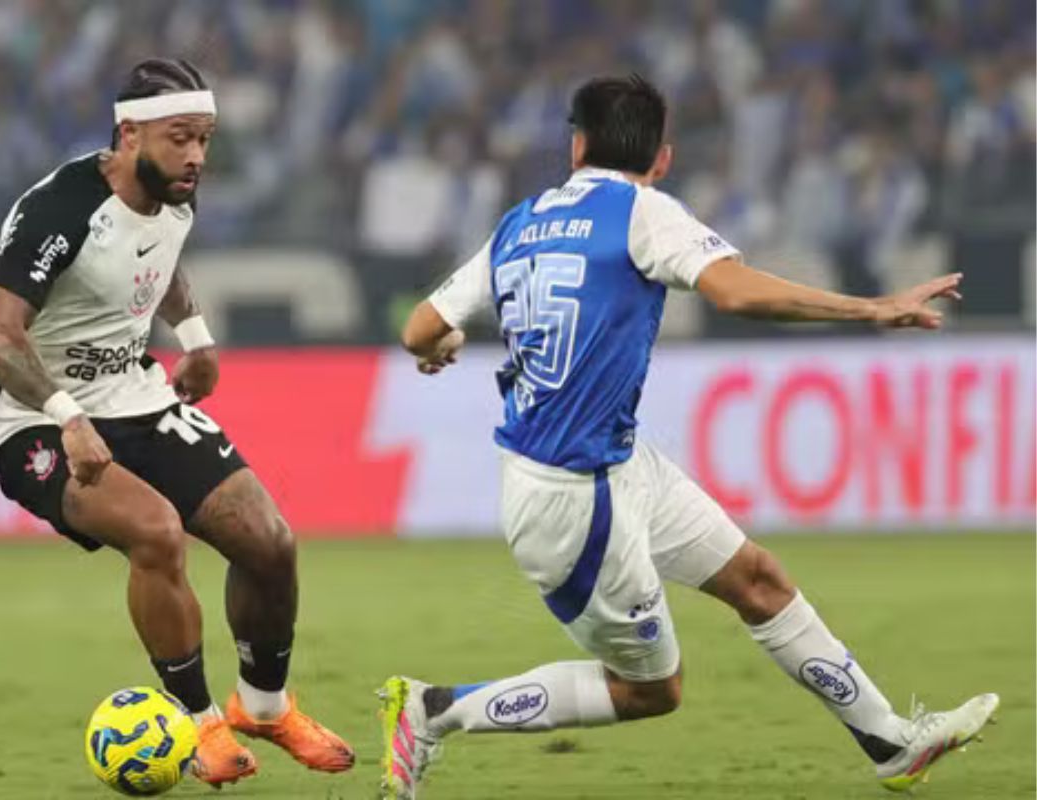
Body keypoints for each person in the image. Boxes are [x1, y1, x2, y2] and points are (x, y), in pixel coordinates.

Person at [378, 74, 997, 798]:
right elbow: (733, 291)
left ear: (575, 146)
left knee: (759, 582)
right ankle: (432, 711)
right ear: (662, 159)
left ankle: (890, 741)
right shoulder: (642, 211)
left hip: (615, 461)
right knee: (651, 690)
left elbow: (418, 327)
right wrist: (874, 309)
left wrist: (443, 341)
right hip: (577, 500)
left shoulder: (523, 221)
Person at [0, 58, 354, 789]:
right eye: (181, 138)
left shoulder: (175, 195)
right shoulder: (61, 209)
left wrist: (197, 336)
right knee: (156, 532)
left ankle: (264, 709)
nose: (197, 157)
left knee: (269, 543)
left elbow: (161, 263)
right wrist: (68, 418)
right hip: (35, 420)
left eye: (205, 139)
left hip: (138, 398)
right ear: (129, 134)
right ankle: (199, 723)